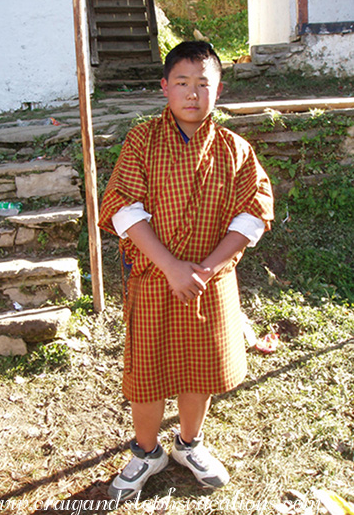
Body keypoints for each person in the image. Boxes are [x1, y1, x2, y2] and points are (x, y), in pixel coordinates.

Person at [98, 41, 274, 501]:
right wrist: (172, 267)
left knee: (201, 368)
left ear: (219, 90)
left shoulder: (236, 150)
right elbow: (122, 207)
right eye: (182, 82)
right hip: (155, 278)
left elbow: (253, 214)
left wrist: (205, 269)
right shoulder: (142, 141)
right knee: (147, 371)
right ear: (165, 88)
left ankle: (189, 443)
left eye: (204, 84)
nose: (192, 93)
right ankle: (146, 450)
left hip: (209, 284)